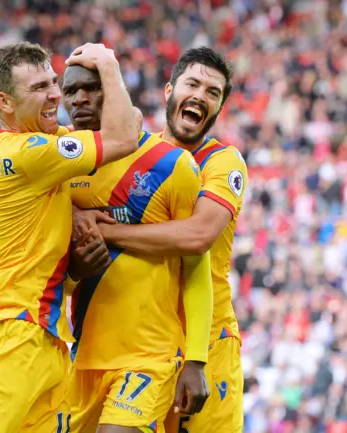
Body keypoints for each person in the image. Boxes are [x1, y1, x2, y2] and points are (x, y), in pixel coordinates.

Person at [0, 42, 141, 433]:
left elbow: (128, 120)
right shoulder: (30, 152)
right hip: (11, 338)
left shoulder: (17, 139)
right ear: (4, 101)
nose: (54, 95)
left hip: (45, 337)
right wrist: (107, 63)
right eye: (38, 88)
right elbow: (124, 136)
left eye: (53, 82)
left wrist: (71, 210)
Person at [97, 46, 247, 433]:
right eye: (192, 84)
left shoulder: (223, 162)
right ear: (169, 91)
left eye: (213, 93)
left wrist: (108, 233)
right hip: (143, 344)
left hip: (208, 344)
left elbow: (197, 236)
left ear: (217, 109)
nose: (200, 95)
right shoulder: (134, 154)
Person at [62, 64, 212, 433]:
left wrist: (195, 359)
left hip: (149, 356)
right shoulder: (61, 166)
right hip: (82, 357)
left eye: (93, 88)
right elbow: (55, 273)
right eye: (71, 91)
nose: (80, 99)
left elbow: (195, 264)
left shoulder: (172, 164)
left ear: (114, 89)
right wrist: (76, 269)